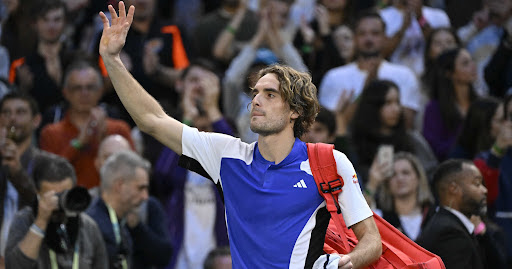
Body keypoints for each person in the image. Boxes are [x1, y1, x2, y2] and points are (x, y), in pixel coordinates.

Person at [98, 2, 382, 268]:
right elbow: (152, 120)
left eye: (270, 94)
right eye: (256, 93)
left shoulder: (330, 162)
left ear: (295, 110)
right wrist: (112, 60)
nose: (256, 100)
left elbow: (371, 241)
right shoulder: (227, 156)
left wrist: (348, 262)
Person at [151, 59, 231, 269]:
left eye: (206, 82)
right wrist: (186, 120)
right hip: (180, 247)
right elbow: (163, 177)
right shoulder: (163, 124)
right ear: (180, 85)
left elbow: (235, 168)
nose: (199, 87)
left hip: (219, 248)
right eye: (194, 80)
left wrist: (213, 110)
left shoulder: (223, 126)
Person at [39, 60, 134, 189]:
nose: (84, 93)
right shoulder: (50, 133)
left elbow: (134, 171)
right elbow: (49, 176)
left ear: (101, 91)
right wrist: (78, 143)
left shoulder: (119, 129)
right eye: (77, 88)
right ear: (66, 92)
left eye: (90, 87)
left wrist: (104, 137)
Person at [319, 10, 421, 130]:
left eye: (375, 33)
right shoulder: (334, 77)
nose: (368, 39)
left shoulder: (404, 75)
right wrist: (367, 87)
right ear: (355, 38)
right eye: (362, 34)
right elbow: (331, 130)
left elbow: (407, 126)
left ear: (385, 38)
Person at [5, 153, 108, 269]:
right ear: (37, 192)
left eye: (64, 195)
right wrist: (40, 222)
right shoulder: (25, 220)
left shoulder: (88, 226)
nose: (59, 203)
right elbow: (15, 266)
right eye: (53, 196)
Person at [93, 135, 173, 269]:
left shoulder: (149, 207)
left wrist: (137, 227)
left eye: (123, 157)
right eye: (140, 188)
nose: (144, 197)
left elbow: (164, 256)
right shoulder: (89, 214)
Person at [350, 80, 437, 183]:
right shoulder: (357, 142)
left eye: (397, 102)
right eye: (388, 103)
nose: (396, 109)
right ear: (373, 106)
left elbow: (431, 173)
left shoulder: (411, 139)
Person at [0, 92, 47, 263]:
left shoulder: (47, 163)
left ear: (36, 120)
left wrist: (17, 172)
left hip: (32, 254)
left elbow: (43, 207)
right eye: (6, 113)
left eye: (20, 112)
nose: (12, 118)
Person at [416, 159, 488, 269]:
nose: (484, 190)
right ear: (453, 189)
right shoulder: (450, 233)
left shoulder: (448, 225)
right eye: (477, 184)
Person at [8, 0, 75, 115]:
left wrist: (60, 80)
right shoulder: (21, 63)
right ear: (35, 24)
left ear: (65, 23)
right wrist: (24, 87)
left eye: (57, 20)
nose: (51, 26)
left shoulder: (74, 59)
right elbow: (11, 100)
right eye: (45, 20)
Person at [86, 150, 150, 269]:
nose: (145, 196)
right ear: (120, 185)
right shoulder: (92, 226)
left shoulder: (119, 223)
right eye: (140, 188)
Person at [422, 48, 479, 162]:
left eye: (472, 61)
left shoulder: (479, 102)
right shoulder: (434, 108)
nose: (473, 66)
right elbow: (435, 149)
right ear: (449, 73)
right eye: (465, 63)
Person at [365, 152, 434, 241]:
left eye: (406, 173)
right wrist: (372, 184)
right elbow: (357, 217)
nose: (400, 178)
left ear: (418, 178)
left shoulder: (434, 215)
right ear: (387, 183)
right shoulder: (381, 218)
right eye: (393, 174)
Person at [380, 0, 450, 76]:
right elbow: (382, 53)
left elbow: (444, 50)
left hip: (431, 75)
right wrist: (403, 28)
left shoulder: (439, 16)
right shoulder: (382, 16)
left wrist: (420, 18)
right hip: (396, 75)